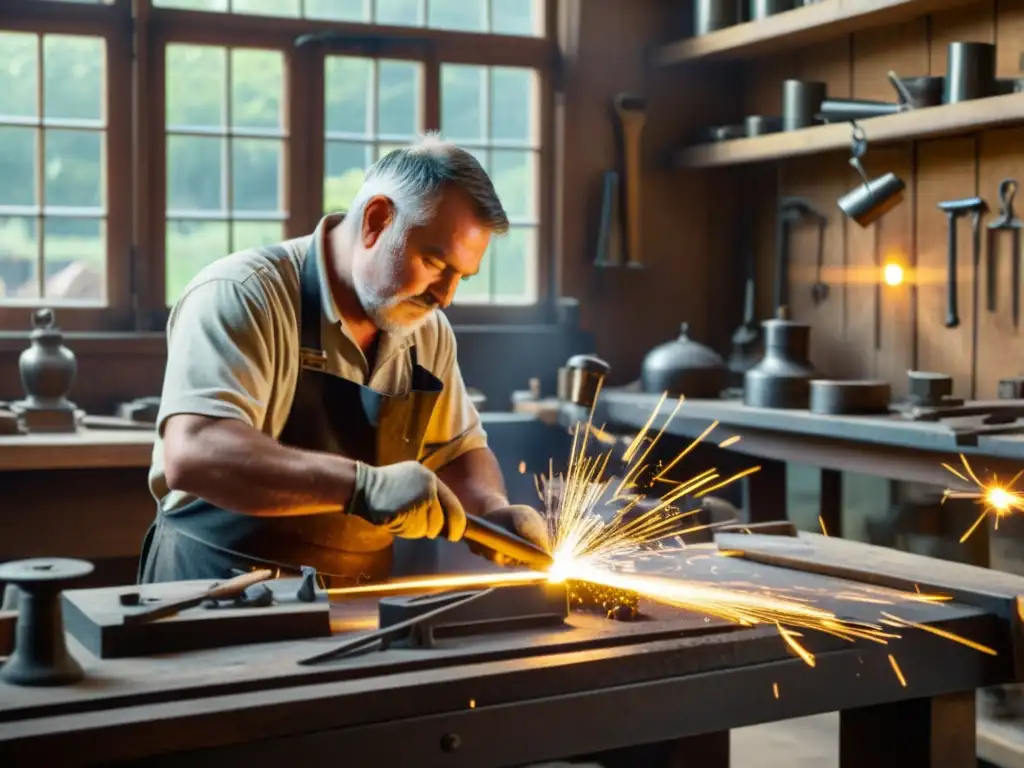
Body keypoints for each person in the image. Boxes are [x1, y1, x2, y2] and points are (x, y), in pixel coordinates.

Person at [138, 134, 549, 585]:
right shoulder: (243, 294)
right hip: (212, 588)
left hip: (351, 606)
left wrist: (491, 509)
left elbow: (457, 450)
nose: (446, 297)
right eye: (435, 263)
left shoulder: (426, 329)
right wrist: (362, 487)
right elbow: (195, 451)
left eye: (461, 278)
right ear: (376, 221)